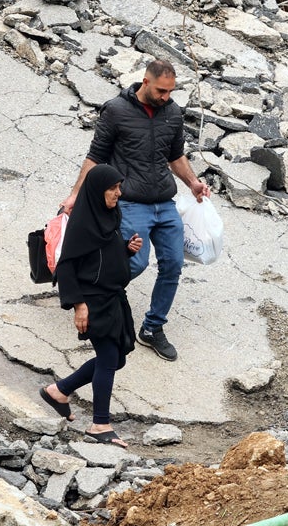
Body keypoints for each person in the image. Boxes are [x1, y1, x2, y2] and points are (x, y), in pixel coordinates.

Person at [62, 59, 211, 362]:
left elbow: (175, 156)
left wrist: (193, 182)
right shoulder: (116, 110)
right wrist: (76, 194)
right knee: (135, 263)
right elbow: (95, 157)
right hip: (130, 202)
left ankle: (152, 328)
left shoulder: (172, 113)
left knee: (172, 265)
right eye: (160, 91)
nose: (165, 97)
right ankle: (88, 297)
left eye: (170, 91)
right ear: (145, 82)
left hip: (165, 204)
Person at [38, 164, 144, 447]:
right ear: (98, 191)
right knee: (109, 359)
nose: (118, 194)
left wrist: (125, 249)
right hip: (94, 301)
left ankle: (59, 391)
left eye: (119, 188)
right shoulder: (83, 224)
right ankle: (100, 424)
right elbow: (67, 267)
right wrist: (78, 306)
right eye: (112, 188)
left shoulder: (108, 217)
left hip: (113, 298)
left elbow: (101, 256)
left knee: (117, 358)